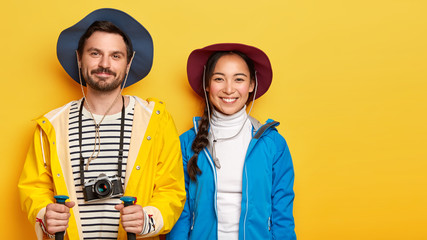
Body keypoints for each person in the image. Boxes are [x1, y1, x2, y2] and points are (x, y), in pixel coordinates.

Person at [18, 8, 185, 240]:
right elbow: (33, 187)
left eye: (116, 56)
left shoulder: (155, 120)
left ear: (128, 63)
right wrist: (45, 214)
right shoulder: (52, 125)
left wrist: (147, 219)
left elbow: (172, 191)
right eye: (95, 53)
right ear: (79, 57)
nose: (104, 64)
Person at [167, 43, 296, 239]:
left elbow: (282, 213)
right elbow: (180, 213)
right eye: (219, 78)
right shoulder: (186, 143)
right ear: (207, 85)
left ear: (252, 84)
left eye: (239, 79)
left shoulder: (273, 144)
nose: (229, 89)